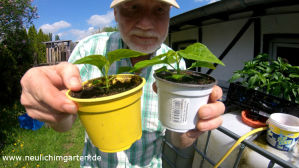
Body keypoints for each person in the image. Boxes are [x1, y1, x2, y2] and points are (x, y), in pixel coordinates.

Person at [20, 0, 225, 167]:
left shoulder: (175, 66)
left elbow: (178, 141)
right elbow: (65, 122)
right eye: (132, 7)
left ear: (169, 14)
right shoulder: (90, 49)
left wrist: (193, 125)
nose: (145, 24)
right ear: (116, 13)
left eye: (159, 9)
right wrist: (52, 107)